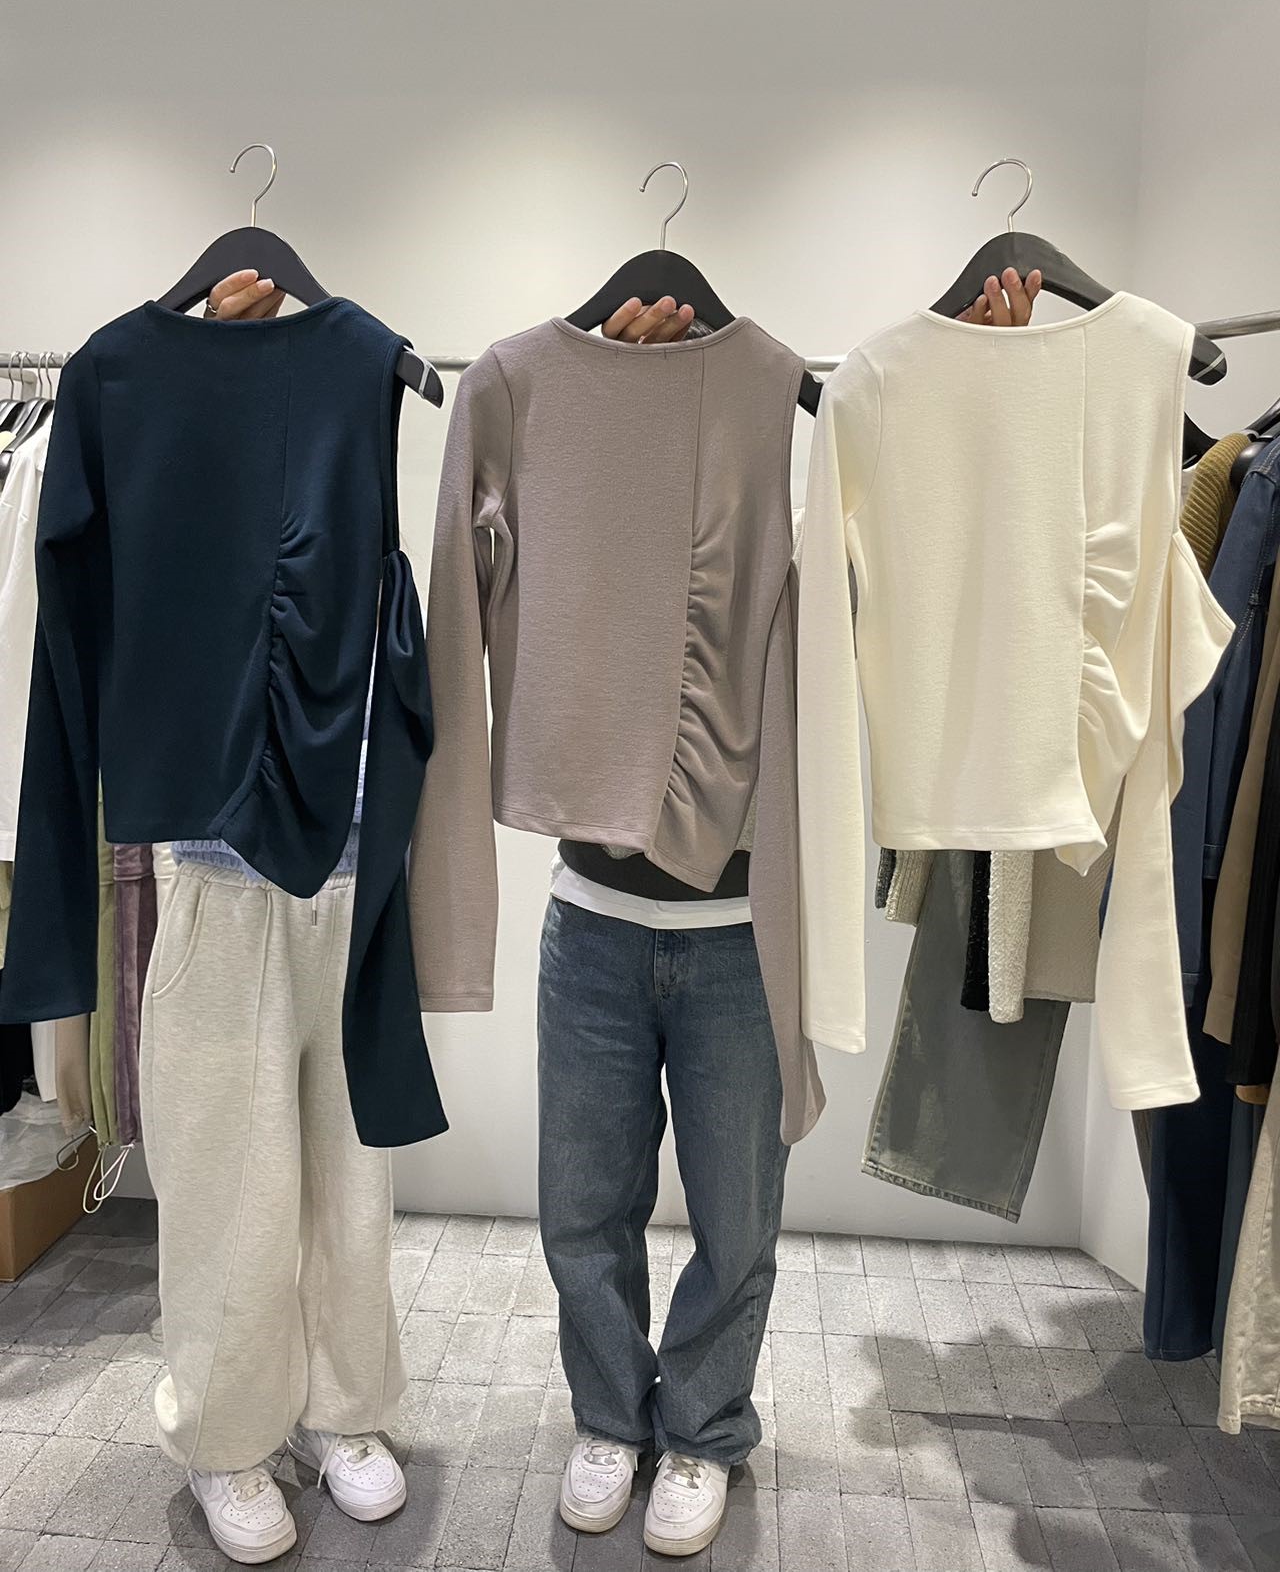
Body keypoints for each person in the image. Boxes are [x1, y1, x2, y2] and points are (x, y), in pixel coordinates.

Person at [192, 264, 1040, 1563]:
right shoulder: (516, 386)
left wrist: (985, 381)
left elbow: (907, 574)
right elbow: (454, 624)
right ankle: (608, 1419)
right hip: (588, 919)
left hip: (741, 935)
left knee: (739, 1222)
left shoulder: (781, 395)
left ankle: (703, 1429)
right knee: (581, 1212)